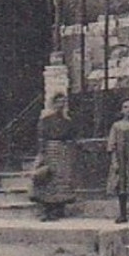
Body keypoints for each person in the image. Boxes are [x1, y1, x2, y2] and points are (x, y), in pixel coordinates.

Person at [29, 92, 78, 222]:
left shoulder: (67, 121)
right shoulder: (46, 120)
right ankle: (46, 210)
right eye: (58, 102)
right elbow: (41, 137)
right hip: (49, 150)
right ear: (53, 103)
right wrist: (42, 153)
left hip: (63, 151)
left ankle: (58, 209)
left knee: (61, 180)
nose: (61, 105)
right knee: (47, 178)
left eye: (63, 102)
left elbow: (72, 137)